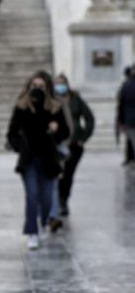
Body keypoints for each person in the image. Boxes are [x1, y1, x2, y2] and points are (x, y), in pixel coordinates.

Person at [7, 71, 70, 250]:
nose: (37, 90)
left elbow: (65, 133)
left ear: (48, 88)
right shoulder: (22, 107)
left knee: (47, 199)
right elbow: (11, 133)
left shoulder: (55, 108)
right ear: (29, 87)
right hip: (29, 160)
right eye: (34, 86)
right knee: (32, 195)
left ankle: (42, 223)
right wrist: (21, 146)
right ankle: (32, 232)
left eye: (41, 87)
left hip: (49, 159)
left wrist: (56, 129)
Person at [54, 75, 95, 217]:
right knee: (57, 174)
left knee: (68, 174)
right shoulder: (51, 101)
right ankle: (56, 201)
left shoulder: (76, 99)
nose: (60, 86)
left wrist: (83, 137)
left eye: (62, 83)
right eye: (57, 84)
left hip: (74, 144)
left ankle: (63, 200)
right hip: (56, 145)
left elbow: (90, 118)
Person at [118, 64, 135, 165]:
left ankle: (130, 158)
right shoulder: (127, 86)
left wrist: (121, 121)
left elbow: (121, 105)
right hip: (130, 120)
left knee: (130, 141)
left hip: (129, 120)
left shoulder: (126, 85)